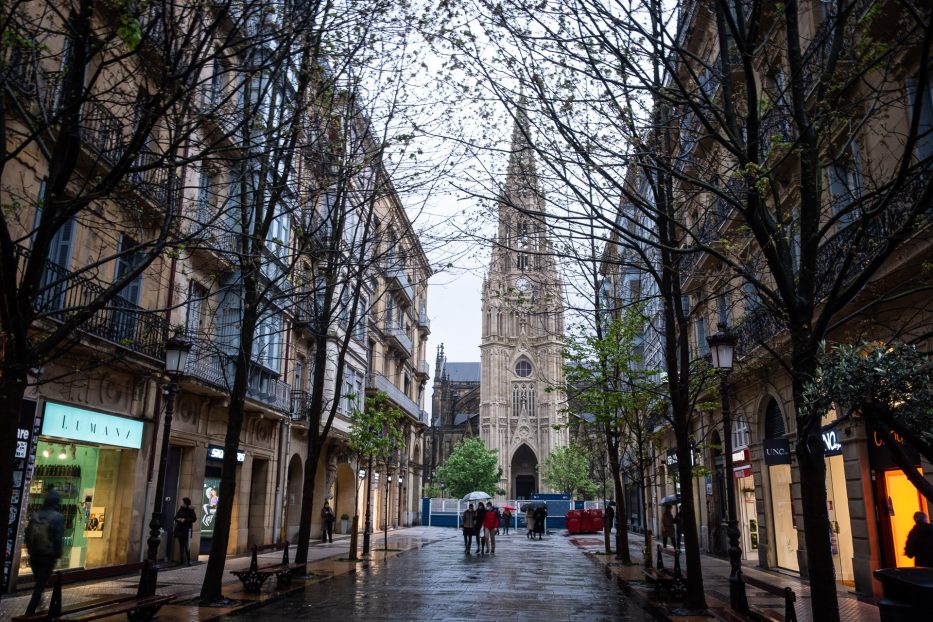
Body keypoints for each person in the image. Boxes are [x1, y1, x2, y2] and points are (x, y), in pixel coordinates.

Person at [24, 490, 65, 615]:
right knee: (40, 586)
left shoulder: (35, 515)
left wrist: (30, 551)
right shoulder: (58, 517)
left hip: (34, 555)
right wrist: (58, 553)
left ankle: (39, 606)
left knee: (39, 583)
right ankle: (28, 613)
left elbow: (27, 535)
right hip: (48, 556)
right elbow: (58, 538)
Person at [173, 497, 197, 565]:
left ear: (185, 503)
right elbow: (175, 517)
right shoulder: (181, 509)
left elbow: (194, 519)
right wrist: (178, 519)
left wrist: (185, 520)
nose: (181, 503)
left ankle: (188, 561)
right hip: (180, 529)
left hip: (187, 530)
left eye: (183, 502)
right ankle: (181, 561)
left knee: (187, 546)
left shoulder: (190, 510)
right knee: (181, 545)